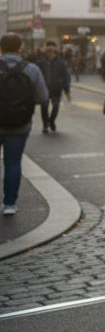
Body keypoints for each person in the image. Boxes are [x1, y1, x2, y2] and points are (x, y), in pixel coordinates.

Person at [0, 33, 48, 216]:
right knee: (13, 162)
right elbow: (43, 97)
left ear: (1, 48)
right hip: (20, 124)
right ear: (20, 48)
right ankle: (10, 204)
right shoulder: (32, 69)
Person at [34, 41, 71, 133]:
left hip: (56, 89)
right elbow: (36, 75)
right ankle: (45, 125)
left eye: (52, 51)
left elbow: (65, 76)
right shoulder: (40, 62)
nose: (50, 53)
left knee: (56, 106)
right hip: (44, 89)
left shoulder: (61, 63)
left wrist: (67, 90)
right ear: (46, 51)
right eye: (48, 51)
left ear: (55, 52)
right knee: (44, 107)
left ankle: (51, 121)